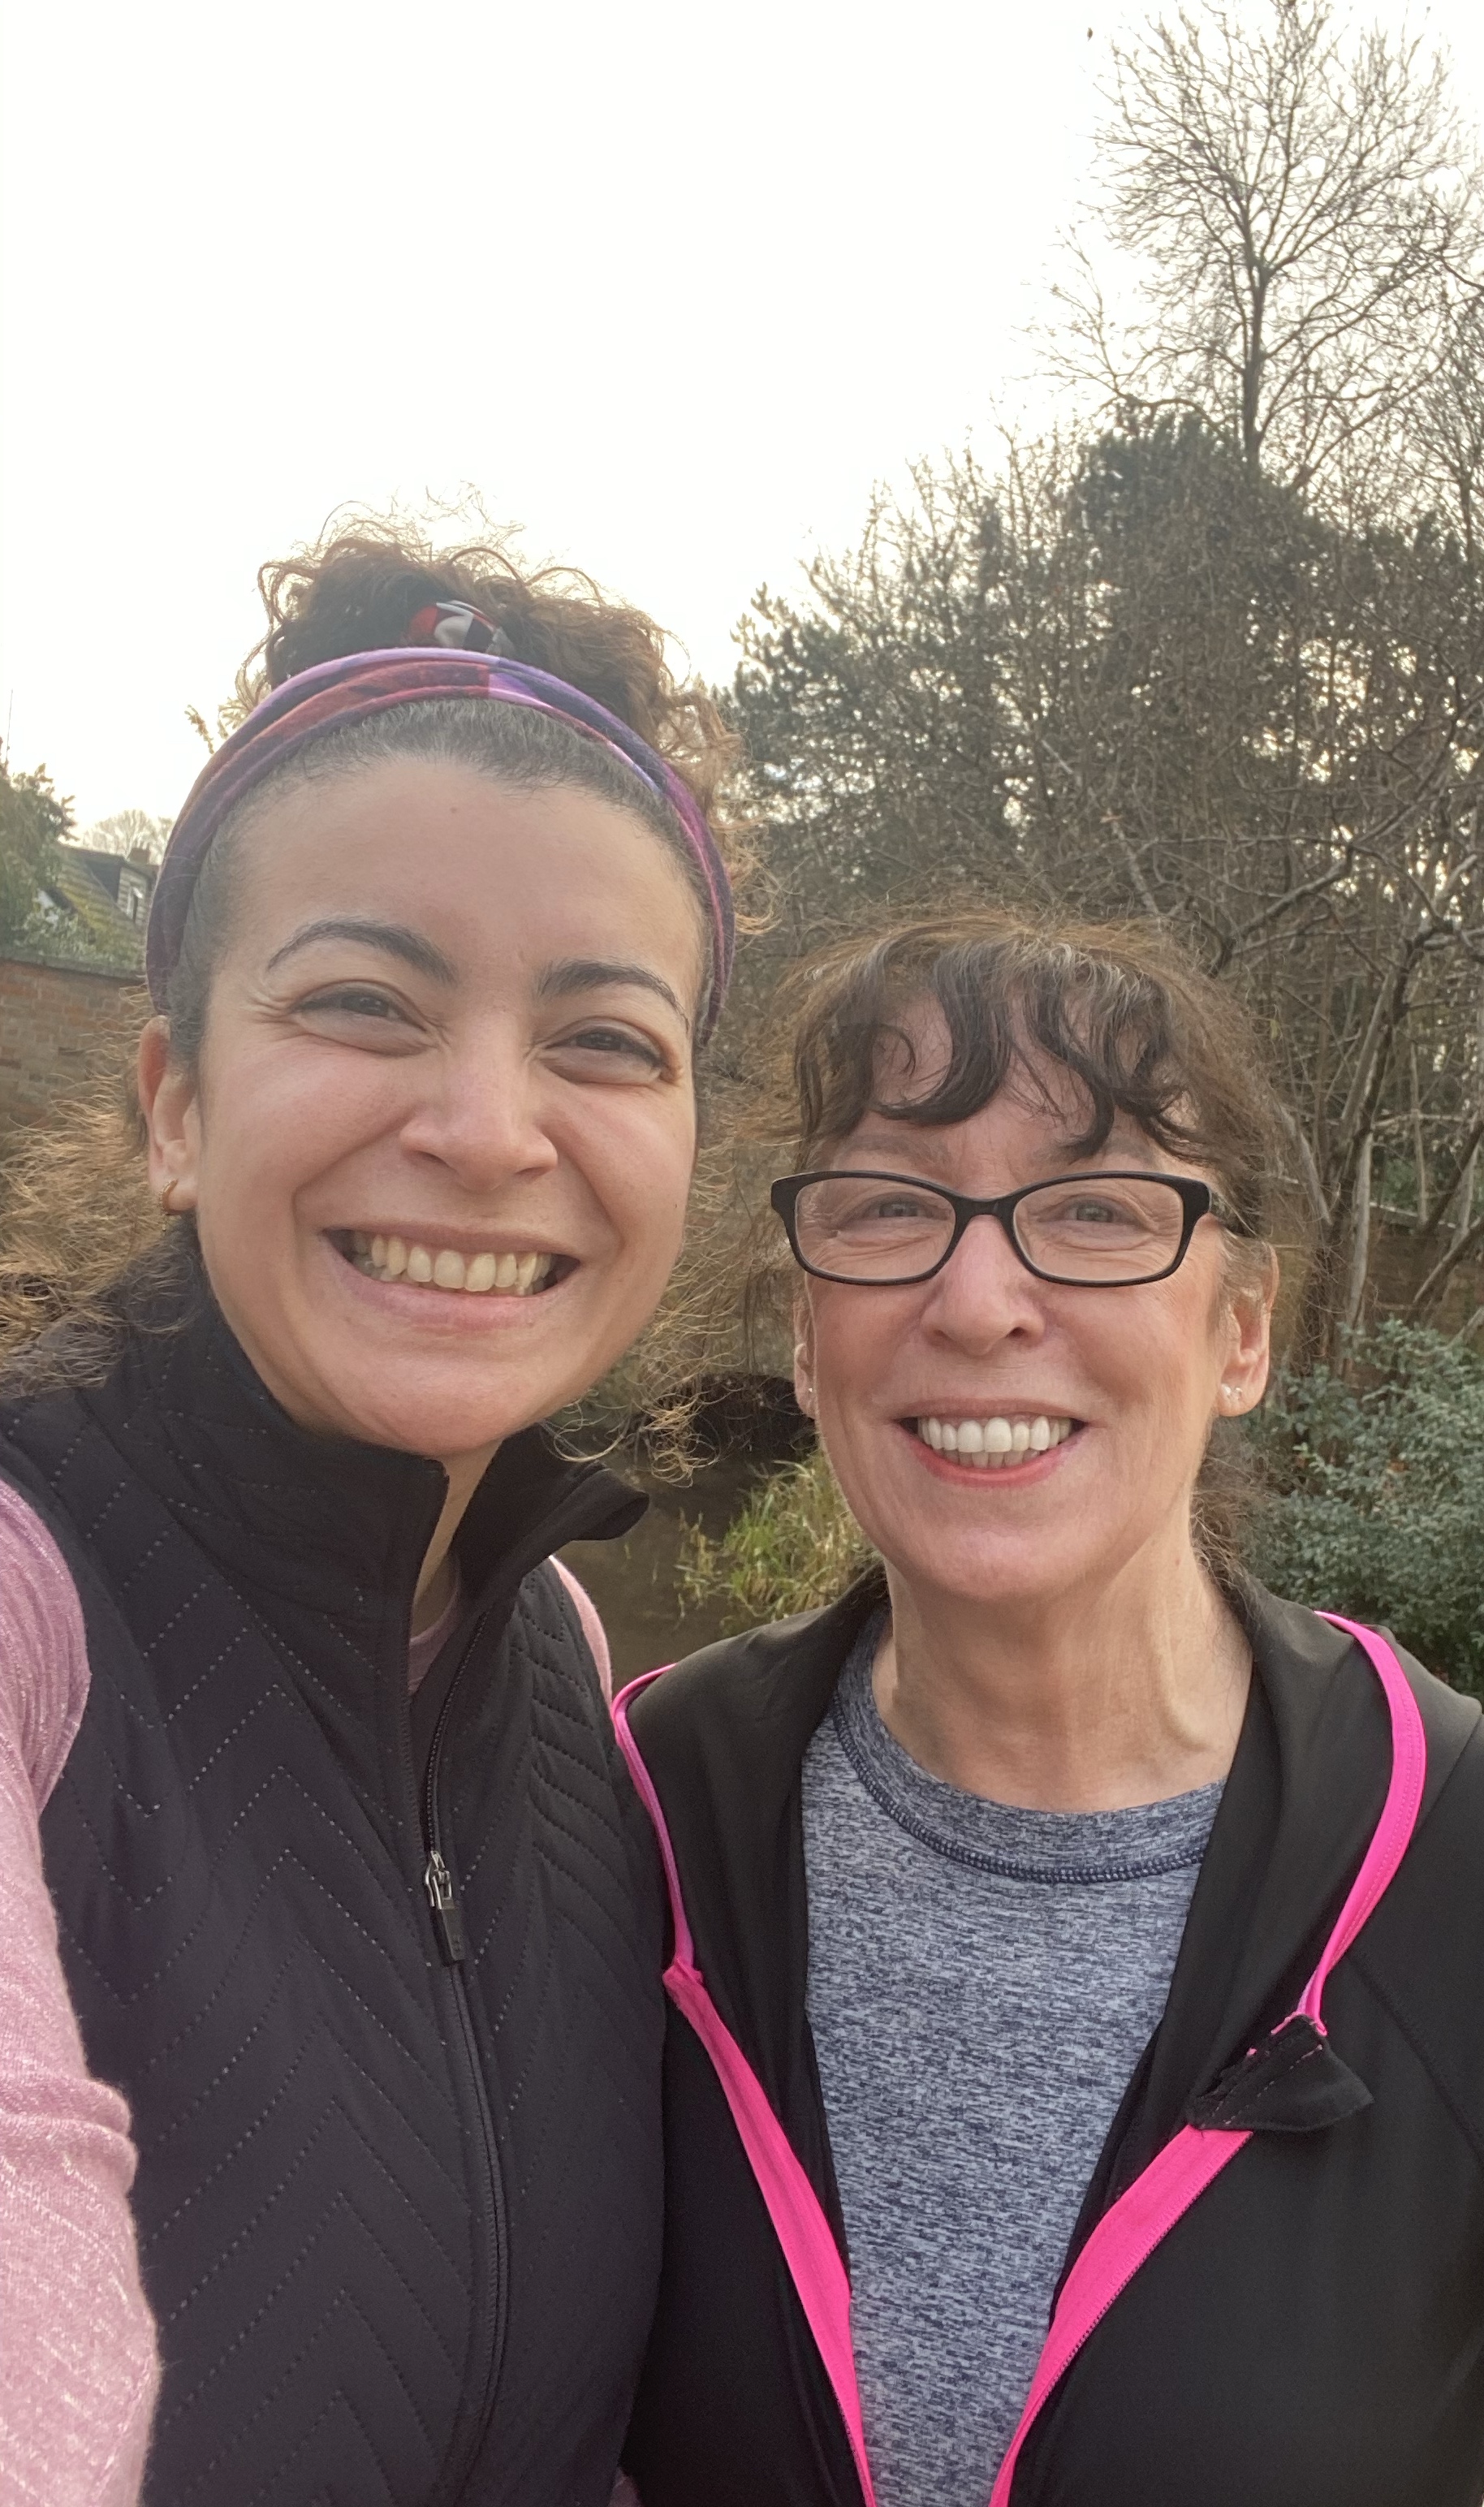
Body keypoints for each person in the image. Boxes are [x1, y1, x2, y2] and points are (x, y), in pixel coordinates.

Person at [616, 911, 1484, 2507]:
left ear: (1243, 1329)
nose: (979, 1299)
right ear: (805, 1336)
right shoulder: (627, 1818)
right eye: (892, 1206)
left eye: (1098, 1209)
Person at [0, 527, 745, 2507]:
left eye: (604, 1037)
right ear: (173, 1098)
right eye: (362, 1001)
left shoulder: (566, 1658)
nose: (492, 1125)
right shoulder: (23, 1603)